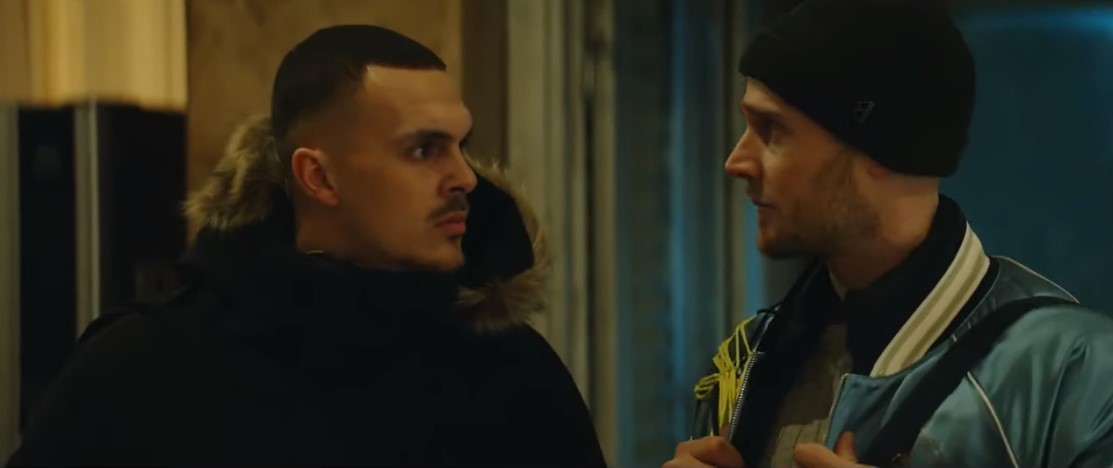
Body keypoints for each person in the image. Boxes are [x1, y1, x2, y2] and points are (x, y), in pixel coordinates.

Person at [8, 25, 606, 467]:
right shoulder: (141, 370)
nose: (465, 178)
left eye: (460, 145)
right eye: (424, 149)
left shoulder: (512, 371)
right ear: (319, 177)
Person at [665, 1, 1113, 467]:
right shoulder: (748, 361)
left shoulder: (1076, 376)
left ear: (880, 148)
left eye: (772, 129)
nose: (736, 161)